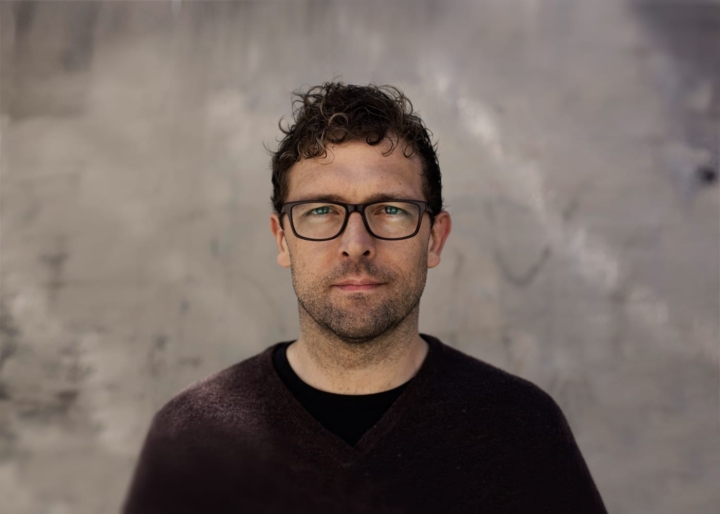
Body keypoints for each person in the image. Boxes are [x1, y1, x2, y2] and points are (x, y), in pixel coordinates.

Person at [122, 82, 608, 513]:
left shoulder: (519, 429)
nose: (356, 244)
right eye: (321, 211)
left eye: (391, 209)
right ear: (282, 239)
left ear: (435, 238)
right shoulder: (192, 436)